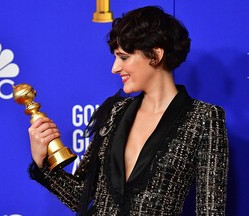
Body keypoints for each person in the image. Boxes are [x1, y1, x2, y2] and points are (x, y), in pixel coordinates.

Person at [28, 5, 229, 216]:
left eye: (123, 57)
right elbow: (81, 197)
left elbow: (211, 209)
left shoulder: (204, 118)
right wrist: (42, 162)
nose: (114, 68)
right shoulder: (114, 112)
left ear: (155, 54)